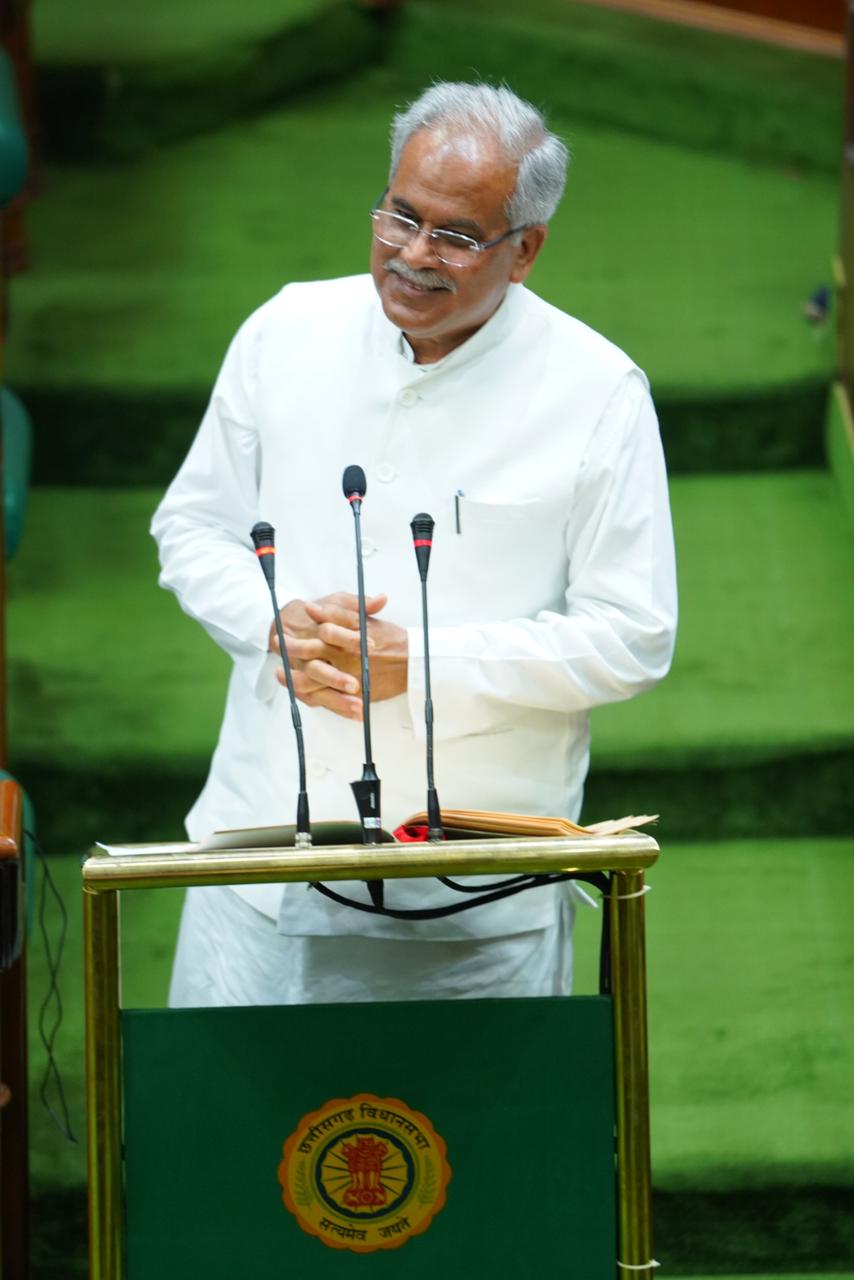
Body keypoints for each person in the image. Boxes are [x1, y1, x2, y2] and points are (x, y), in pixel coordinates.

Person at [151, 81, 677, 1008]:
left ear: (525, 252)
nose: (413, 255)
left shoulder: (598, 391)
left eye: (457, 236)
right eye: (401, 216)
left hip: (474, 889)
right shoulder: (286, 330)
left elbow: (631, 633)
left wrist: (423, 664)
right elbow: (192, 527)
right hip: (263, 841)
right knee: (230, 1147)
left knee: (461, 1154)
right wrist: (274, 624)